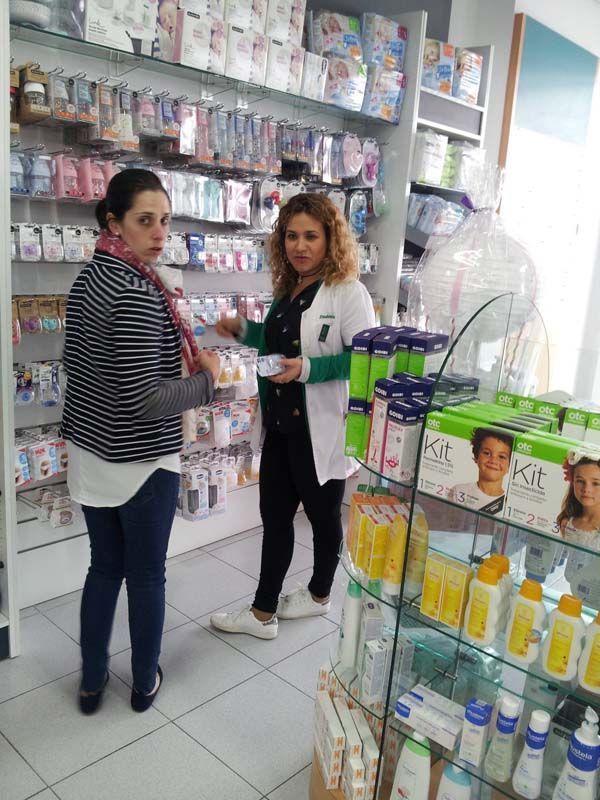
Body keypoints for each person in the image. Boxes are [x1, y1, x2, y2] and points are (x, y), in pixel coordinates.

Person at [61, 169, 220, 714]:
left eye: (165, 221)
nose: (158, 233)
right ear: (115, 222)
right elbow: (145, 399)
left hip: (90, 452)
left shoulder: (91, 277)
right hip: (141, 460)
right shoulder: (137, 291)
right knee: (146, 574)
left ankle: (90, 679)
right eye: (144, 221)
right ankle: (144, 678)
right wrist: (206, 381)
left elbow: (85, 371)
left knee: (104, 566)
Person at [210, 193, 375, 640]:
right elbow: (279, 340)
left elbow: (368, 361)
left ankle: (319, 596)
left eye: (311, 236)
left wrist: (308, 369)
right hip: (282, 426)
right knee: (276, 519)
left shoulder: (347, 292)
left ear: (331, 240)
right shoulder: (288, 290)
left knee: (324, 520)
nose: (300, 246)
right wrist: (245, 330)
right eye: (291, 236)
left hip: (320, 429)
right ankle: (263, 613)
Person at [558, 454, 600, 608]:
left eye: (596, 483)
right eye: (580, 481)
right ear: (572, 482)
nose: (586, 489)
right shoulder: (567, 523)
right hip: (573, 598)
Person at [448, 427, 513, 515]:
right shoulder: (459, 491)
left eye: (501, 457)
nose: (493, 461)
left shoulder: (510, 504)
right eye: (487, 453)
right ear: (476, 456)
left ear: (510, 465)